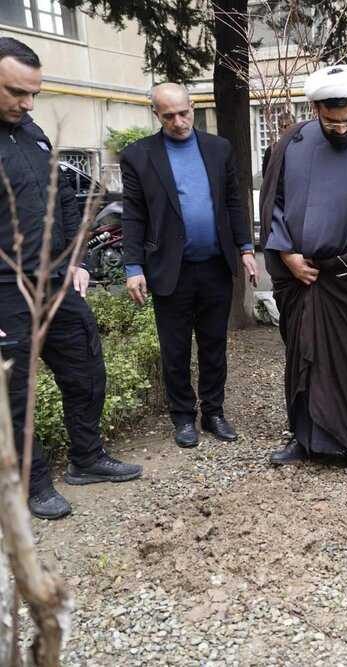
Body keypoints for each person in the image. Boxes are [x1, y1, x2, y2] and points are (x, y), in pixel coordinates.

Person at [0, 37, 142, 520]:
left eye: (33, 93)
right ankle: (34, 484)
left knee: (85, 370)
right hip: (6, 291)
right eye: (16, 91)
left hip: (58, 279)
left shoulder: (33, 132)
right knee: (16, 393)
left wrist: (77, 260)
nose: (27, 102)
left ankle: (86, 458)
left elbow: (63, 196)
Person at [259, 64, 347, 477]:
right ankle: (302, 438)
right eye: (332, 121)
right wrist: (286, 253)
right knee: (301, 358)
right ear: (316, 110)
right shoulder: (292, 143)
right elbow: (274, 203)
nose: (342, 129)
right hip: (301, 276)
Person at [121, 83, 257, 449]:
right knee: (176, 349)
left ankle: (214, 412)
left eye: (184, 113)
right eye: (169, 116)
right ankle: (182, 417)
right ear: (156, 115)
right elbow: (133, 215)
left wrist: (245, 247)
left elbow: (233, 201)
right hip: (170, 270)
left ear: (192, 107)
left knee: (214, 344)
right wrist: (133, 266)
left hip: (214, 265)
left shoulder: (218, 149)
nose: (179, 122)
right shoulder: (139, 155)